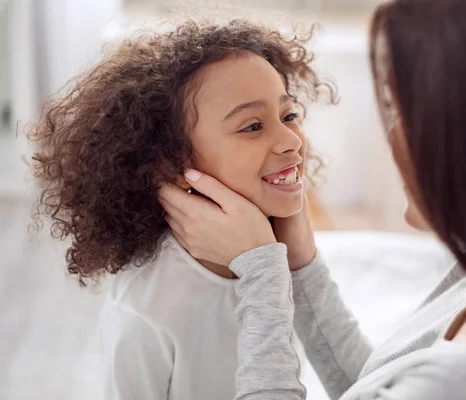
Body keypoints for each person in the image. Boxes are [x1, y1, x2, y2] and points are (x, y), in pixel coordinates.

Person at [158, 0, 466, 399]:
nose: (291, 140)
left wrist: (261, 273)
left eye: (399, 109)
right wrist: (298, 262)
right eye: (252, 126)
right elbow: (372, 387)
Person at [27, 20, 335, 399]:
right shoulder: (146, 313)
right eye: (252, 126)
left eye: (288, 116)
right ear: (174, 163)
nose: (292, 140)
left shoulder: (279, 259)